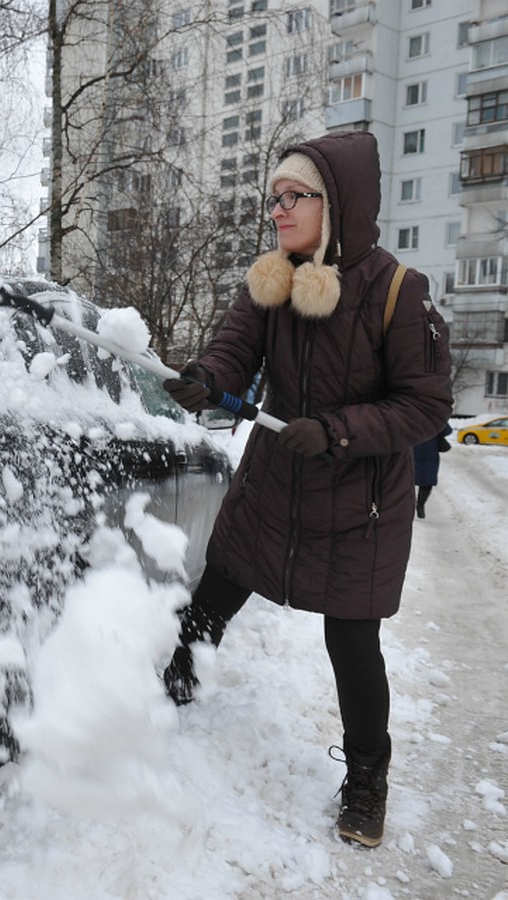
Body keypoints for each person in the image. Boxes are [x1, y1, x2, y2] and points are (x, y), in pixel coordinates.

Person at [160, 131, 452, 849]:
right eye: (274, 199)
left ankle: (366, 780)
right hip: (274, 484)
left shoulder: (395, 291)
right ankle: (171, 694)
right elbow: (234, 349)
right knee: (215, 594)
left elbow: (424, 406)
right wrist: (208, 381)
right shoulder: (273, 282)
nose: (279, 211)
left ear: (337, 205)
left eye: (294, 197)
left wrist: (337, 430)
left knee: (352, 643)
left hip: (361, 504)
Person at [412, 424, 453, 519]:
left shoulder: (410, 411)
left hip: (413, 450)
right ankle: (420, 505)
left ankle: (414, 505)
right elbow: (447, 430)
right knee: (427, 482)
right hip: (429, 451)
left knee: (408, 480)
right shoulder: (434, 413)